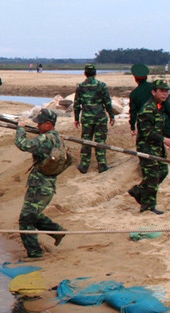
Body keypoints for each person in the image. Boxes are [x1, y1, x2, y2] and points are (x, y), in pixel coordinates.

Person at [14, 108, 67, 258]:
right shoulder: (57, 138)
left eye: (40, 124)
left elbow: (22, 144)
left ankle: (35, 253)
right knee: (32, 215)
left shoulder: (46, 139)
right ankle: (56, 231)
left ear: (49, 124)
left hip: (40, 186)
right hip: (46, 185)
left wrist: (20, 129)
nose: (37, 126)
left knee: (25, 221)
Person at [128, 80, 170, 214]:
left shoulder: (159, 107)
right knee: (152, 176)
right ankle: (148, 206)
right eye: (162, 91)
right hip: (147, 147)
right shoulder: (148, 109)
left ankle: (139, 190)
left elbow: (158, 128)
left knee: (162, 172)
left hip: (157, 146)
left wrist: (163, 142)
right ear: (153, 92)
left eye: (166, 91)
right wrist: (164, 140)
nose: (165, 94)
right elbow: (146, 132)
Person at [129, 63, 170, 169]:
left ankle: (145, 163)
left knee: (145, 141)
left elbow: (133, 112)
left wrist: (132, 126)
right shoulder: (156, 87)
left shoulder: (134, 94)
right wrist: (167, 117)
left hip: (145, 120)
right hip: (162, 117)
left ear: (135, 78)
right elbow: (166, 105)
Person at [73, 64, 115, 173]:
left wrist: (76, 118)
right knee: (100, 141)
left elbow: (77, 104)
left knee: (86, 141)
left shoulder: (81, 87)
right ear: (95, 73)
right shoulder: (102, 86)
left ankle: (84, 165)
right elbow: (108, 103)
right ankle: (102, 164)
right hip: (100, 117)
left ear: (85, 73)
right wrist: (111, 115)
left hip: (87, 118)